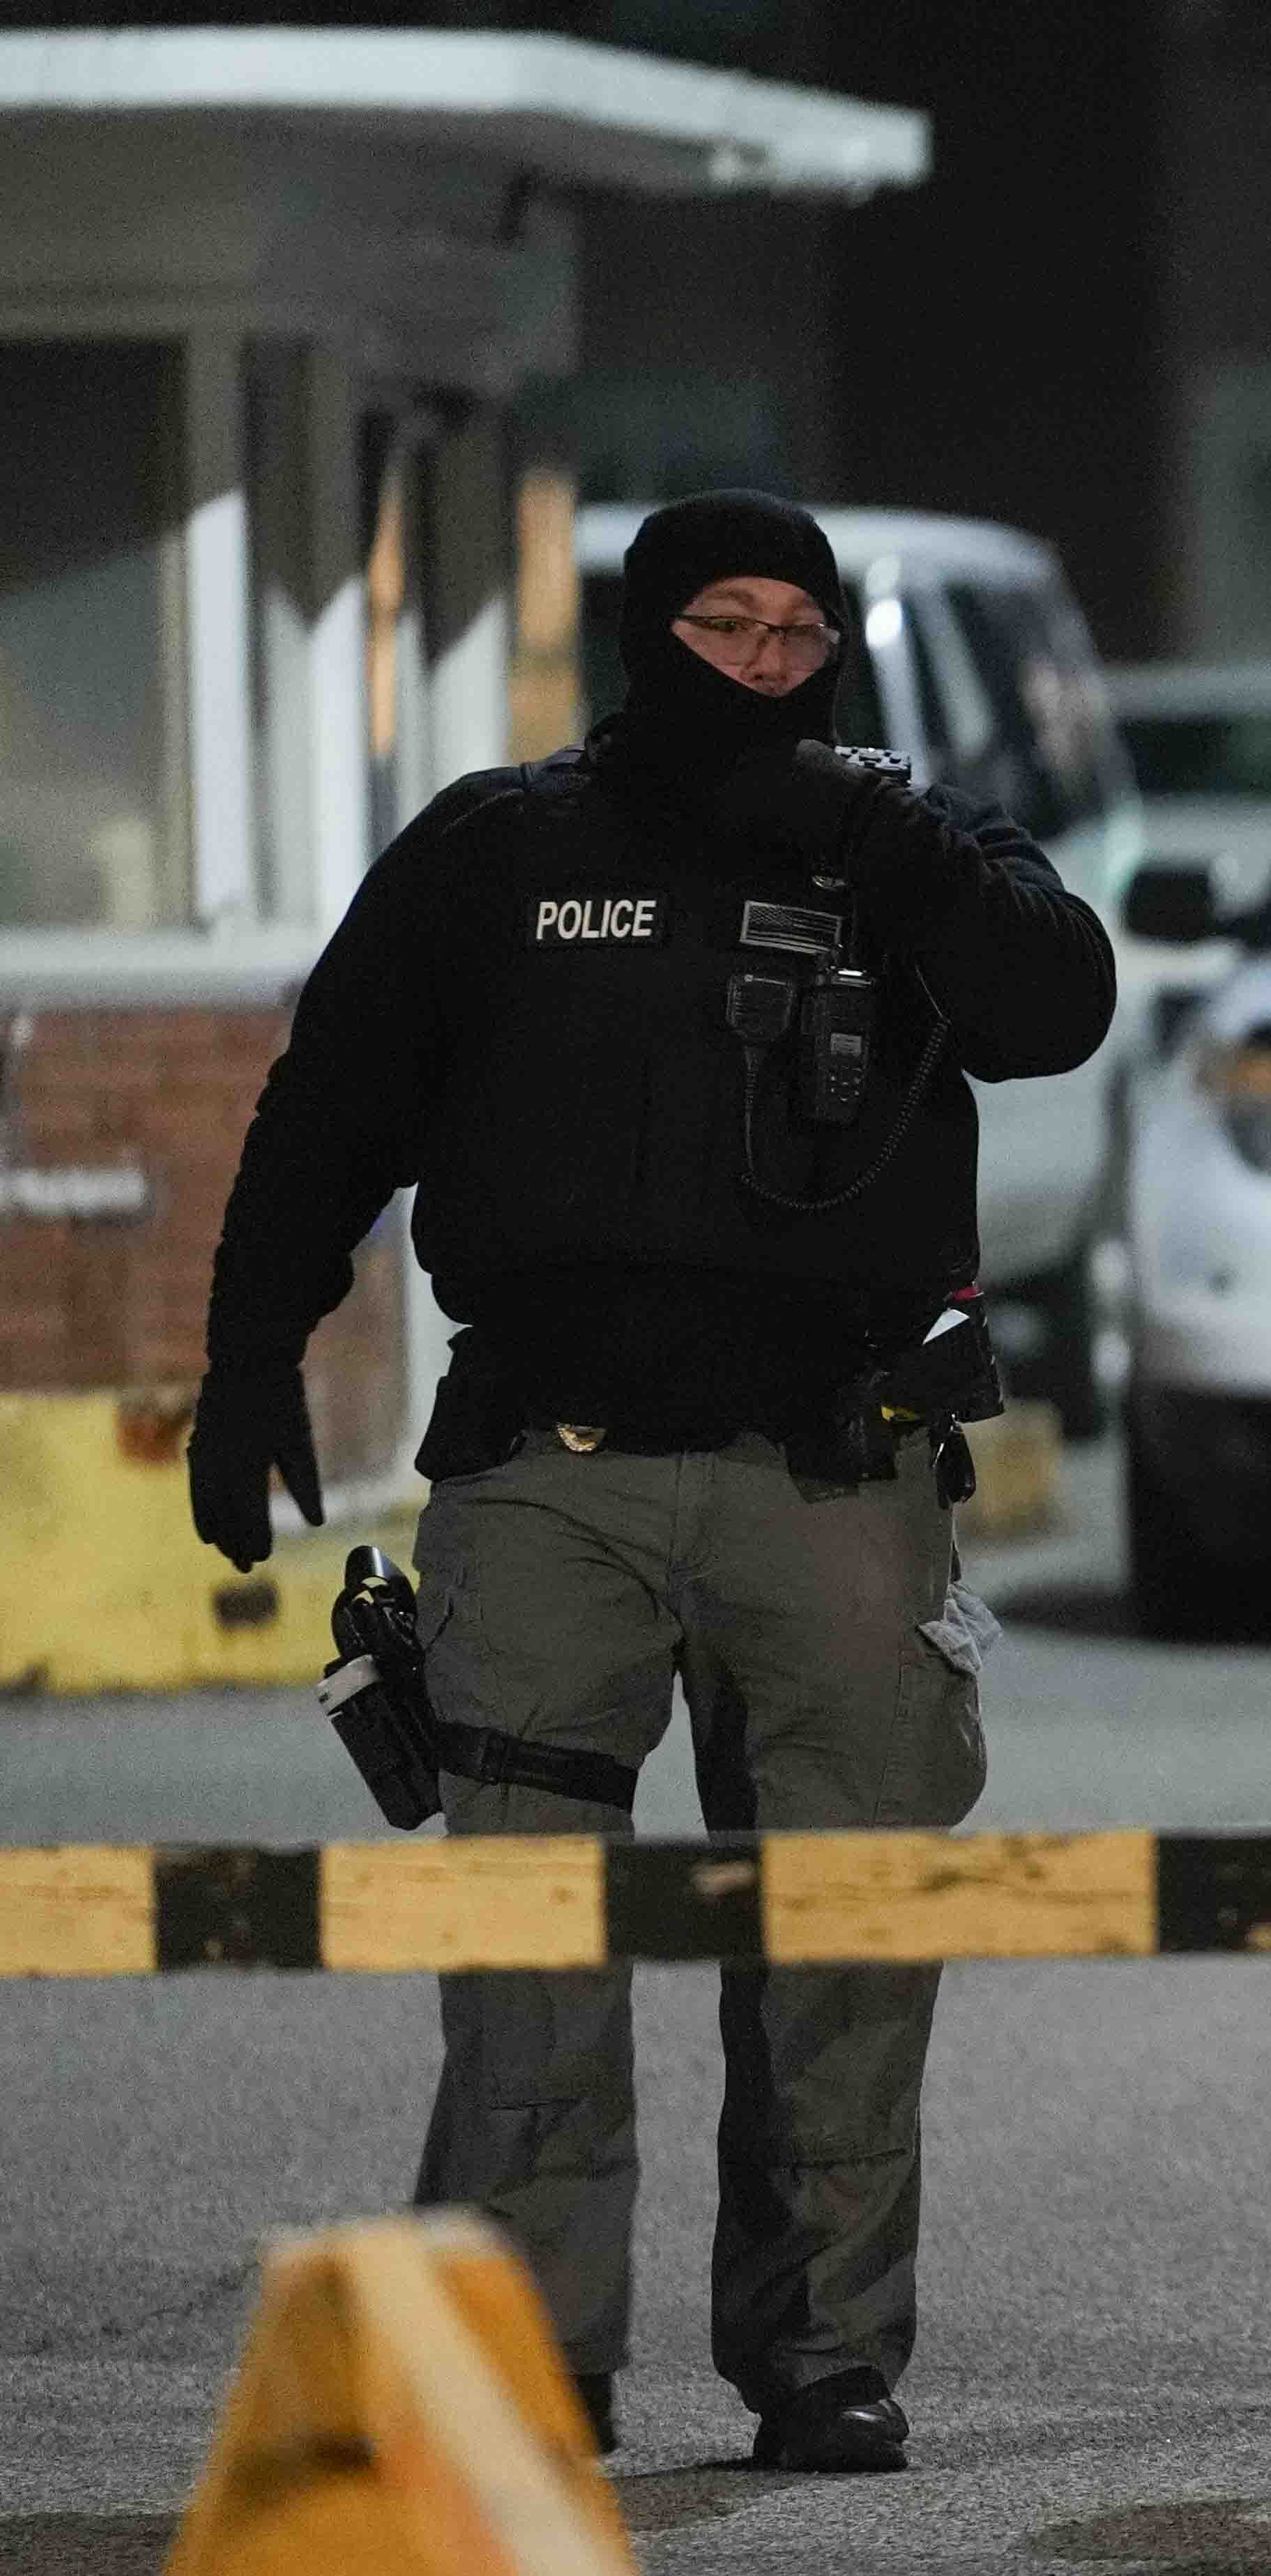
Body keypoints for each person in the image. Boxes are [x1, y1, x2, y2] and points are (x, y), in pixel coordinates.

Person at [188, 489, 1115, 2471]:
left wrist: (884, 836)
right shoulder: (502, 850)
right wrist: (247, 1351)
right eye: (726, 627)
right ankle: (533, 2357)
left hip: (836, 1473)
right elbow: (332, 1097)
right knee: (530, 1938)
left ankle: (824, 2353)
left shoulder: (911, 845)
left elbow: (1058, 1004)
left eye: (800, 632)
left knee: (847, 1936)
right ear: (644, 637)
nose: (767, 665)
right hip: (554, 1475)